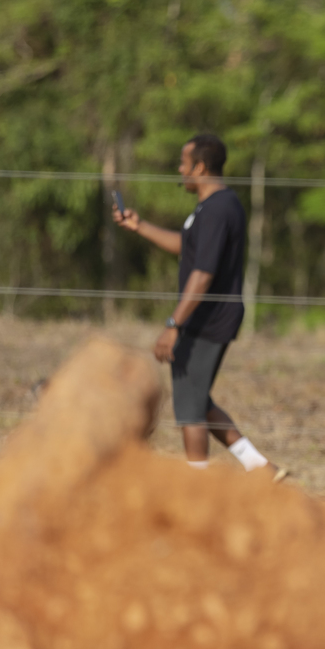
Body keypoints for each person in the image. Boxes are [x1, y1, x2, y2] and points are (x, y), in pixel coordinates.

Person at [114, 134, 285, 480]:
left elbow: (203, 274)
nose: (180, 170)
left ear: (201, 167)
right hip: (205, 316)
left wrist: (173, 324)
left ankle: (197, 486)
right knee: (196, 398)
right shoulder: (209, 208)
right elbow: (187, 247)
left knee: (189, 408)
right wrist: (139, 226)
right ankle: (259, 466)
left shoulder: (219, 209)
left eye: (184, 163)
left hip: (208, 318)